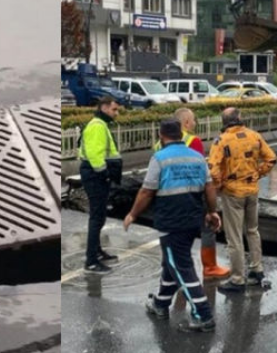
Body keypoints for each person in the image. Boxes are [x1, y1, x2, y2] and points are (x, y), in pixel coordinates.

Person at [123, 119, 221, 332]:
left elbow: (147, 191)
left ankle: (203, 315)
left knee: (181, 267)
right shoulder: (197, 157)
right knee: (172, 263)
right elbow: (209, 187)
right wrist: (212, 212)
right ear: (181, 134)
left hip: (172, 220)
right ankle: (160, 304)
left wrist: (132, 214)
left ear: (161, 135)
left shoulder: (159, 158)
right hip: (193, 219)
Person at [154, 108, 230, 279]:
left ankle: (171, 267)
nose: (195, 123)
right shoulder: (193, 141)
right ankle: (209, 267)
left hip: (167, 196)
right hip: (191, 194)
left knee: (174, 235)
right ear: (186, 123)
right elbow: (201, 171)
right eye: (194, 120)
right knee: (207, 228)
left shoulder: (160, 143)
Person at [208, 108, 277, 292]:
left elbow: (213, 168)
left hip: (232, 193)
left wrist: (220, 184)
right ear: (240, 119)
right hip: (252, 190)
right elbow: (271, 159)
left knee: (234, 237)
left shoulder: (221, 140)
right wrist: (257, 174)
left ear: (224, 122)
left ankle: (238, 278)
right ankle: (257, 270)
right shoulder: (254, 136)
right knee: (253, 230)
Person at [78, 96, 123, 274]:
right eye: (114, 110)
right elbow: (95, 154)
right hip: (95, 175)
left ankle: (96, 251)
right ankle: (91, 261)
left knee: (100, 215)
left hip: (95, 175)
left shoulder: (99, 124)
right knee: (97, 217)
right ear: (104, 107)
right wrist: (103, 174)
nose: (116, 113)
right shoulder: (97, 126)